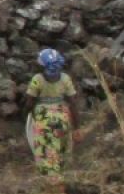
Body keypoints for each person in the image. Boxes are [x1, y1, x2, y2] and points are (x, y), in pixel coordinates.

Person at [25, 47, 82, 178]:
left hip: (43, 120)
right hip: (63, 117)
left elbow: (29, 102)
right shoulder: (65, 79)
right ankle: (64, 177)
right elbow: (73, 103)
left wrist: (26, 114)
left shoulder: (37, 79)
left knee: (46, 149)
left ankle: (51, 180)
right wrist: (77, 128)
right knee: (62, 147)